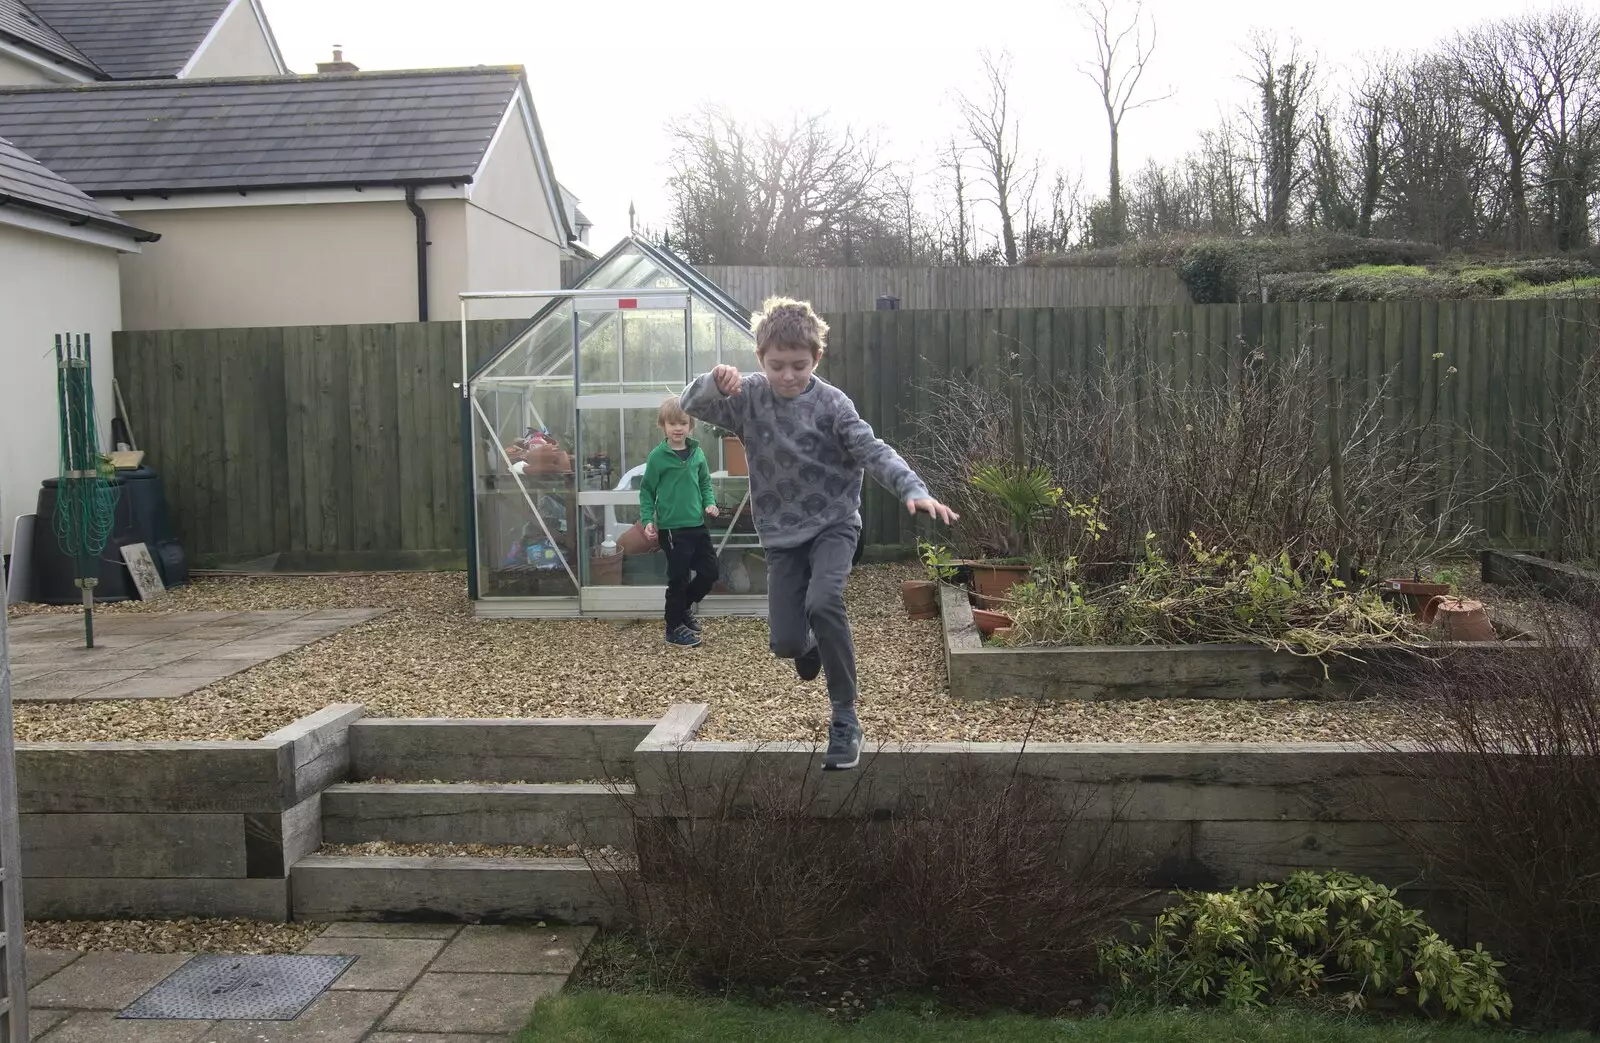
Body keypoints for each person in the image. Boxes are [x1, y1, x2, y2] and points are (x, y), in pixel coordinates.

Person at [680, 297, 957, 770]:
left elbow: (873, 450)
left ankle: (845, 718)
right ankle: (807, 647)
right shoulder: (747, 397)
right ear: (760, 358)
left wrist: (912, 487)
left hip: (834, 524)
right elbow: (690, 405)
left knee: (824, 601)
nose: (788, 376)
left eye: (799, 366)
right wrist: (714, 380)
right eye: (777, 366)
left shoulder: (832, 404)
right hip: (781, 536)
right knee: (785, 643)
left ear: (816, 359)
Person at [641, 398, 721, 648]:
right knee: (679, 579)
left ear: (691, 426)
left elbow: (706, 483)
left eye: (683, 423)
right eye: (672, 423)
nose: (678, 428)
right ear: (663, 426)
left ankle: (682, 607)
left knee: (710, 572)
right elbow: (646, 491)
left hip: (697, 525)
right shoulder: (657, 457)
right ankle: (673, 628)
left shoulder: (697, 453)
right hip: (672, 530)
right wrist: (647, 519)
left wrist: (710, 503)